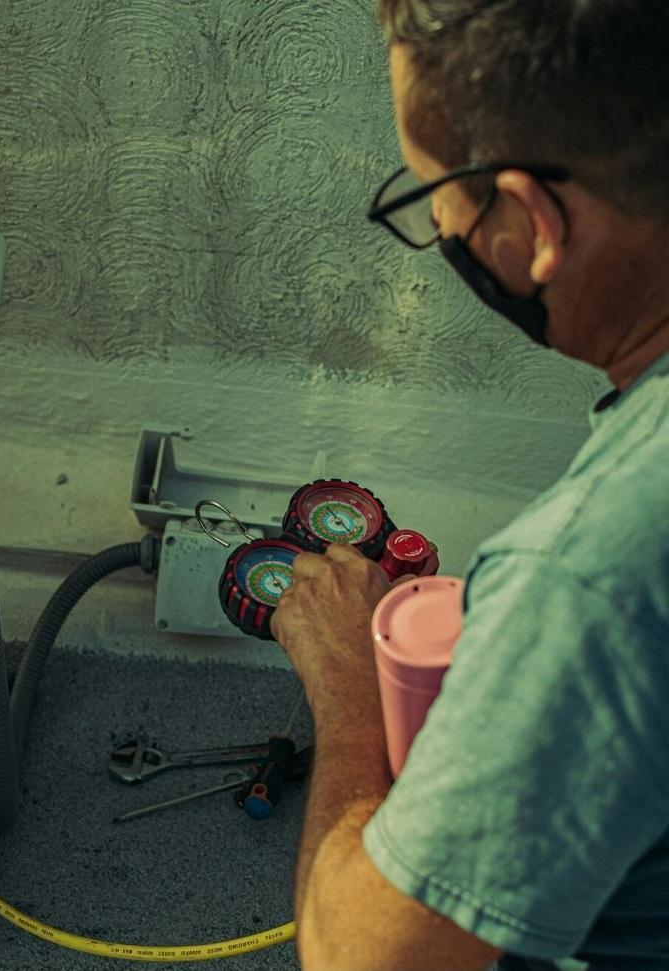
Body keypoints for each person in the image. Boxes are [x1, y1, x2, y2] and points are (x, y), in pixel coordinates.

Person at [269, 2, 669, 969]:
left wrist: (350, 694)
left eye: (436, 196)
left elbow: (357, 956)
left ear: (533, 223)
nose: (441, 226)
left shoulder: (588, 577)